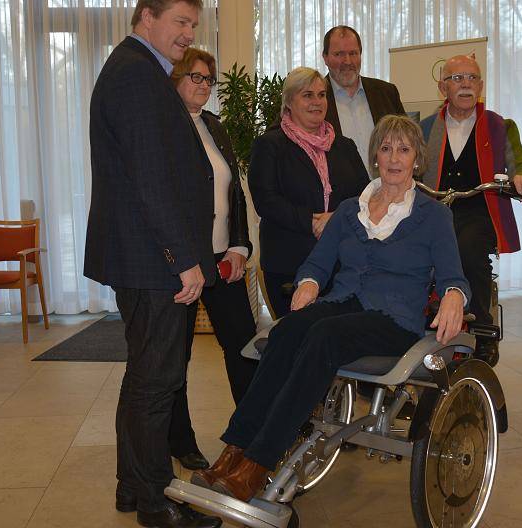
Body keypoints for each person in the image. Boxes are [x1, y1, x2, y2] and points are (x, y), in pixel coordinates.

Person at [190, 115, 471, 502]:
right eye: (386, 148)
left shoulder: (433, 215)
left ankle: (258, 462)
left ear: (416, 160)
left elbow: (454, 275)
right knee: (286, 330)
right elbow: (318, 263)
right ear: (375, 157)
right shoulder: (350, 209)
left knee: (323, 336)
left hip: (395, 319)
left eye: (403, 150)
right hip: (343, 303)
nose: (394, 158)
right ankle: (232, 451)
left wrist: (455, 294)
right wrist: (308, 283)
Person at [84, 1, 221, 526]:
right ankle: (154, 500)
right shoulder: (138, 75)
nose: (188, 35)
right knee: (157, 381)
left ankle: (131, 486)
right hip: (151, 259)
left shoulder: (138, 69)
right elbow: (150, 179)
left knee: (145, 376)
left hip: (143, 255)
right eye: (181, 23)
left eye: (193, 25)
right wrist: (182, 259)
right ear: (147, 17)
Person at [167, 47, 258, 472]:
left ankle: (254, 432)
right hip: (183, 263)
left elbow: (234, 194)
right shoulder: (164, 127)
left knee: (243, 345)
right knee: (177, 355)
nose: (202, 85)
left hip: (225, 260)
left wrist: (240, 246)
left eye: (208, 79)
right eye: (194, 77)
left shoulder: (214, 126)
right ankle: (180, 440)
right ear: (174, 77)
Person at [419, 54, 522, 367]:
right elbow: (410, 165)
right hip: (435, 209)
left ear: (481, 85)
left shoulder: (500, 126)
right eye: (457, 78)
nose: (466, 84)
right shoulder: (426, 127)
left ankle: (484, 329)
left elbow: (521, 161)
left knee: (469, 250)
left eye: (472, 78)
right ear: (442, 86)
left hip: (479, 208)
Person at [248, 66, 369, 318]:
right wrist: (311, 221)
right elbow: (266, 200)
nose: (317, 102)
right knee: (296, 341)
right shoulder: (269, 145)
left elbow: (365, 196)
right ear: (289, 101)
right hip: (289, 262)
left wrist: (335, 218)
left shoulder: (344, 146)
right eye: (307, 95)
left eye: (321, 95)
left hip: (342, 262)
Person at [322, 25, 406, 167]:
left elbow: (408, 142)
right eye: (339, 54)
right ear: (325, 58)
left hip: (387, 186)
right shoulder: (314, 99)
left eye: (353, 53)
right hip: (338, 188)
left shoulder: (386, 92)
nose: (347, 61)